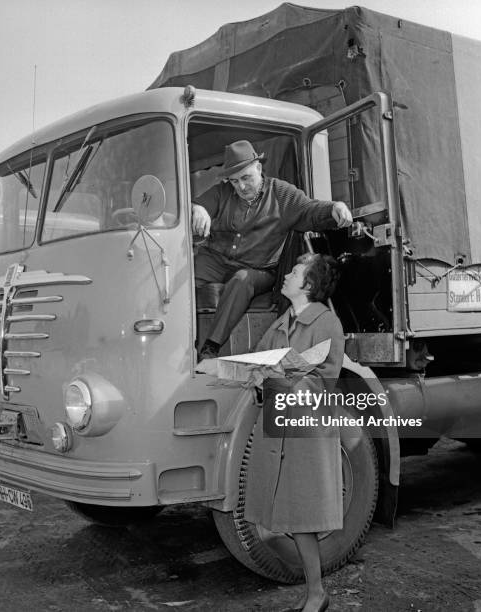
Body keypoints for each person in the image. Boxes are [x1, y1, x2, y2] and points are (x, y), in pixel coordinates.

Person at [192, 140, 352, 361]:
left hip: (257, 269)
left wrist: (335, 207)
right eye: (234, 181)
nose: (241, 187)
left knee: (241, 280)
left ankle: (210, 347)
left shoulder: (281, 193)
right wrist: (198, 209)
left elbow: (309, 210)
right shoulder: (222, 192)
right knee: (183, 277)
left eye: (246, 178)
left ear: (259, 167)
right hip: (216, 260)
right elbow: (199, 204)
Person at [246, 253, 344, 612]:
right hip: (278, 430)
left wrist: (279, 380)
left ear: (309, 284)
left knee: (302, 516)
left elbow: (322, 380)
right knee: (281, 517)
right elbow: (258, 365)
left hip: (305, 434)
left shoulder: (327, 324)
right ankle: (315, 593)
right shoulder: (279, 324)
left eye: (296, 271)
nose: (287, 275)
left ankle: (316, 595)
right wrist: (259, 379)